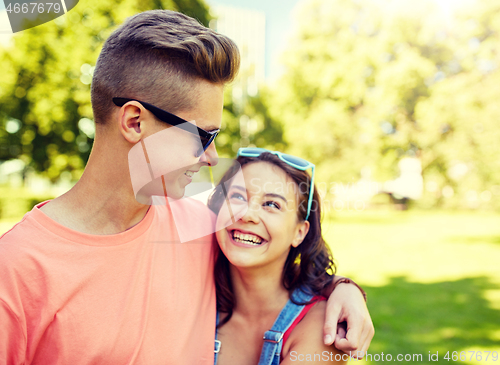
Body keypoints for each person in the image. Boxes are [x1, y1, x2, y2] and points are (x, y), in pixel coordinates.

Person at [0, 10, 373, 364]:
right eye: (202, 136)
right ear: (133, 122)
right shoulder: (16, 271)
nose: (212, 159)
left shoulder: (202, 224)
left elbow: (279, 267)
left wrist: (344, 289)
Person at [208, 148, 355, 364]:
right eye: (238, 196)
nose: (247, 214)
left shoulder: (322, 328)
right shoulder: (194, 297)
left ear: (299, 232)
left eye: (271, 204)